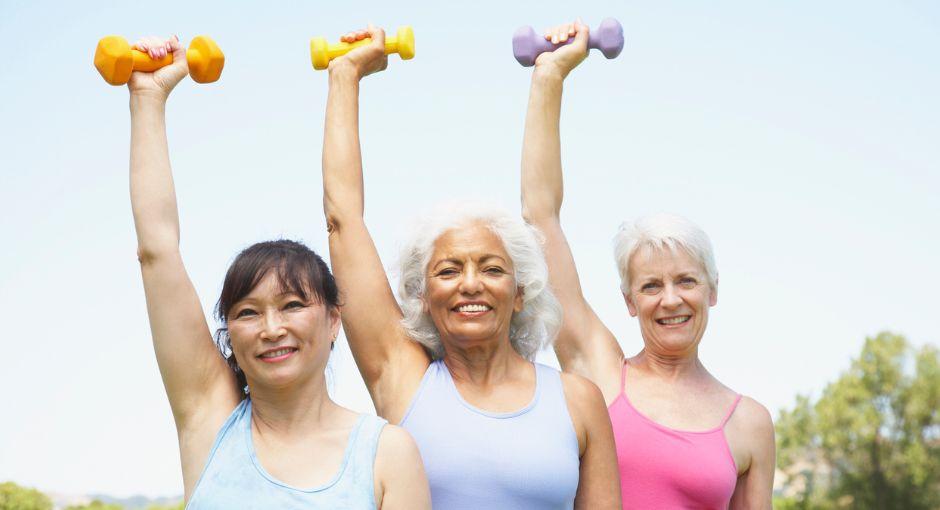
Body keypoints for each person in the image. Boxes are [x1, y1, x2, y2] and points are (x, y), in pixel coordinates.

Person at [321, 25, 621, 510]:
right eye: (448, 271)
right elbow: (342, 222)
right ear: (422, 294)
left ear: (521, 291)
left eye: (492, 269)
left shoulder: (578, 400)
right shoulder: (403, 378)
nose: (470, 284)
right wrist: (345, 75)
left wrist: (549, 76)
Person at [125, 35, 429, 509]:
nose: (272, 329)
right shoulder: (210, 419)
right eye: (248, 313)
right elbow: (157, 253)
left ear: (333, 321)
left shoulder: (387, 453)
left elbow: (343, 218)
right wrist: (147, 98)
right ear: (230, 333)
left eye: (292, 305)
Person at [520, 21, 776, 510]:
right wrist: (548, 77)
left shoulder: (750, 423)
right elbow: (540, 217)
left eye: (686, 280)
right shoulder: (600, 371)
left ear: (713, 290)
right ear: (629, 301)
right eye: (651, 285)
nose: (671, 298)